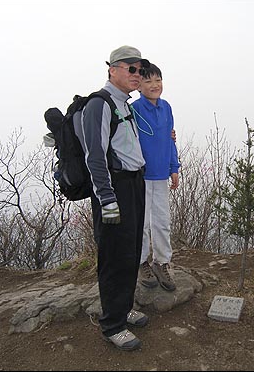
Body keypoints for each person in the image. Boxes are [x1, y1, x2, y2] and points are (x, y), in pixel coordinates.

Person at [73, 45, 150, 351]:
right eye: (131, 68)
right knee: (114, 256)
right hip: (114, 188)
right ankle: (112, 325)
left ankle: (123, 307)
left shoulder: (125, 105)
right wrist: (106, 198)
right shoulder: (100, 104)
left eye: (140, 69)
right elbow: (95, 156)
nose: (137, 74)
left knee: (131, 251)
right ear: (112, 69)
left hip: (134, 184)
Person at [130, 63, 180, 292]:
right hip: (140, 175)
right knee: (142, 223)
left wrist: (174, 168)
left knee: (162, 222)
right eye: (148, 81)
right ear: (138, 85)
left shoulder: (167, 107)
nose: (154, 85)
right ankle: (141, 262)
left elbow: (170, 140)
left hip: (161, 175)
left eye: (158, 80)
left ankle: (162, 262)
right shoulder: (134, 109)